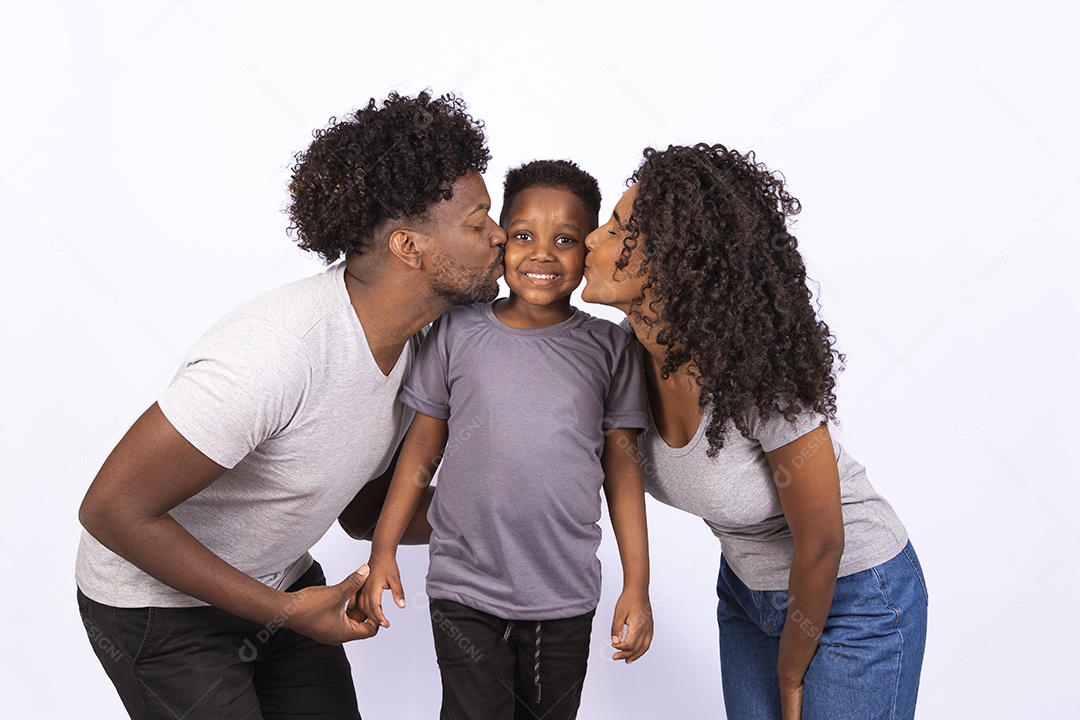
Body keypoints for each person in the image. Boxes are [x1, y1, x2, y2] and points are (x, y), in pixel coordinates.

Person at [74, 91, 507, 720]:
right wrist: (282, 612)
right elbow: (112, 510)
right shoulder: (275, 354)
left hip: (275, 586)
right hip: (156, 610)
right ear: (409, 247)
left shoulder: (422, 344)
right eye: (478, 222)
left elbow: (366, 513)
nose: (501, 237)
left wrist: (510, 515)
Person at [581, 144, 928, 720]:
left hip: (854, 596)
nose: (593, 239)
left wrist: (790, 675)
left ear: (674, 260)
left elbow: (822, 542)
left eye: (617, 228)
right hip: (747, 596)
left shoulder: (756, 372)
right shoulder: (618, 360)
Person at [359, 160, 653, 720]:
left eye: (565, 240)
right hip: (463, 586)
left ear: (589, 248)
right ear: (500, 241)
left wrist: (636, 585)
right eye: (522, 236)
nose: (542, 254)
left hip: (564, 593)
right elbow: (421, 449)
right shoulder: (457, 329)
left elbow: (623, 472)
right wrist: (383, 549)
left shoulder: (610, 349)